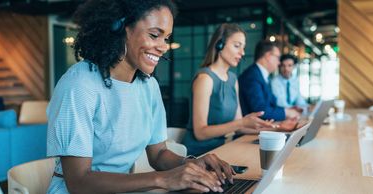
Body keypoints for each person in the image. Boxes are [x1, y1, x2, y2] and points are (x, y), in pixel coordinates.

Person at [46, 1, 234, 193]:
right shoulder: (79, 84)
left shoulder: (148, 86)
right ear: (119, 28)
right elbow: (79, 181)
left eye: (166, 38)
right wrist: (162, 179)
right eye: (154, 35)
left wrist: (192, 165)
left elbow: (158, 154)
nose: (163, 47)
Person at [182, 24, 274, 156]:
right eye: (237, 46)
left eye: (243, 47)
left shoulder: (232, 79)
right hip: (200, 155)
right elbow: (200, 133)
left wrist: (266, 128)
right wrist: (241, 122)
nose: (242, 53)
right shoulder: (205, 79)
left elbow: (238, 127)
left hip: (222, 150)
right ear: (220, 44)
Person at [238, 41, 301, 121]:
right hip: (250, 132)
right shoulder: (252, 76)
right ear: (268, 56)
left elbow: (271, 104)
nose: (279, 63)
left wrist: (287, 109)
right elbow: (259, 111)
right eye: (277, 58)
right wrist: (286, 112)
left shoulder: (263, 76)